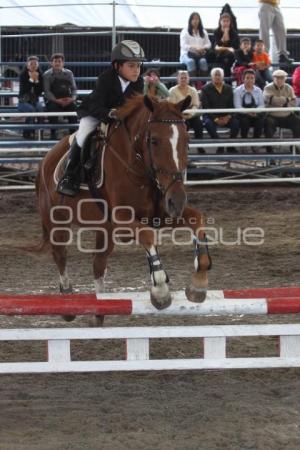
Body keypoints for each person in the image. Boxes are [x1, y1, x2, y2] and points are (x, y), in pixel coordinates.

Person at [57, 40, 145, 197]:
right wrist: (110, 114)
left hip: (119, 116)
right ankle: (70, 176)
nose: (136, 70)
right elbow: (96, 106)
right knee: (83, 134)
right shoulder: (106, 79)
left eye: (138, 66)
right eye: (131, 66)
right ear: (117, 66)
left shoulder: (139, 82)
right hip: (95, 113)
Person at [201, 67, 239, 154]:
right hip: (211, 115)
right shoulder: (205, 89)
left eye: (219, 75)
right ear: (212, 77)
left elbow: (231, 106)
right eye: (215, 75)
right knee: (208, 123)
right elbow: (206, 107)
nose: (217, 77)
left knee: (236, 123)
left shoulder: (229, 88)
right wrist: (216, 119)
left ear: (223, 77)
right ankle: (219, 144)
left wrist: (228, 117)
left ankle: (231, 146)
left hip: (226, 115)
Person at [263, 69, 300, 153]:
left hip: (287, 115)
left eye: (282, 78)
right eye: (277, 78)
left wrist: (277, 102)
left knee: (298, 122)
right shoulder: (268, 88)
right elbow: (270, 99)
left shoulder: (289, 88)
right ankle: (270, 150)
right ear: (273, 78)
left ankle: (293, 146)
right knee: (268, 125)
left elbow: (293, 102)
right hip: (272, 116)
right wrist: (287, 100)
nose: (279, 80)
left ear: (285, 79)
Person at [168, 70, 204, 154]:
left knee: (198, 123)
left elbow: (196, 104)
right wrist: (181, 115)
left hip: (191, 115)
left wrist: (190, 114)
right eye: (181, 78)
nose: (183, 79)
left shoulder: (193, 90)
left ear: (188, 79)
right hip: (178, 116)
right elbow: (171, 107)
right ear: (178, 79)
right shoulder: (172, 90)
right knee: (183, 126)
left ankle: (200, 146)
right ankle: (182, 148)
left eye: (185, 78)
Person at [43, 53, 77, 140]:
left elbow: (74, 89)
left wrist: (72, 99)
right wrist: (57, 101)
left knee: (73, 107)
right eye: (55, 61)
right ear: (51, 63)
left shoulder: (69, 73)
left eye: (59, 61)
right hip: (54, 100)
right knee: (52, 109)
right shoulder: (46, 75)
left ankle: (73, 135)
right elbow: (47, 91)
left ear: (63, 63)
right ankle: (53, 133)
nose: (57, 63)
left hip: (67, 99)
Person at [233, 69, 265, 139]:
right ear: (243, 79)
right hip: (243, 115)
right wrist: (248, 112)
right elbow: (237, 106)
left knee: (260, 121)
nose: (250, 80)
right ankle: (244, 143)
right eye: (247, 78)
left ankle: (255, 143)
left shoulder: (258, 90)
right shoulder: (237, 91)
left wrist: (255, 111)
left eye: (252, 78)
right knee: (244, 122)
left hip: (255, 113)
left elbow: (262, 105)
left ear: (254, 79)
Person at [18, 55, 44, 139]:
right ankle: (27, 132)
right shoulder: (23, 75)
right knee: (31, 110)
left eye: (35, 64)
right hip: (23, 101)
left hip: (35, 100)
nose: (33, 65)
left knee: (40, 109)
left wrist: (36, 81)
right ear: (27, 65)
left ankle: (40, 133)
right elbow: (24, 90)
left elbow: (39, 91)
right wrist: (32, 79)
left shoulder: (40, 74)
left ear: (38, 65)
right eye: (31, 63)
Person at [179, 12, 212, 77]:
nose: (195, 21)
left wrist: (202, 48)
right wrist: (195, 48)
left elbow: (209, 44)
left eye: (197, 19)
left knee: (203, 61)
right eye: (193, 19)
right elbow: (183, 45)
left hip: (200, 54)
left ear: (199, 20)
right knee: (190, 62)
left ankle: (202, 84)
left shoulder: (203, 31)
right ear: (190, 20)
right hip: (186, 54)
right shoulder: (185, 31)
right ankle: (193, 84)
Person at [212, 12, 240, 79]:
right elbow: (217, 45)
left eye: (227, 21)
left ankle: (227, 80)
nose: (225, 23)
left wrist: (227, 32)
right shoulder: (216, 31)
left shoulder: (234, 32)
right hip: (219, 54)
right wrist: (225, 34)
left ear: (230, 22)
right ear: (220, 22)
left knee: (228, 57)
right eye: (224, 21)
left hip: (230, 55)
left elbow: (234, 46)